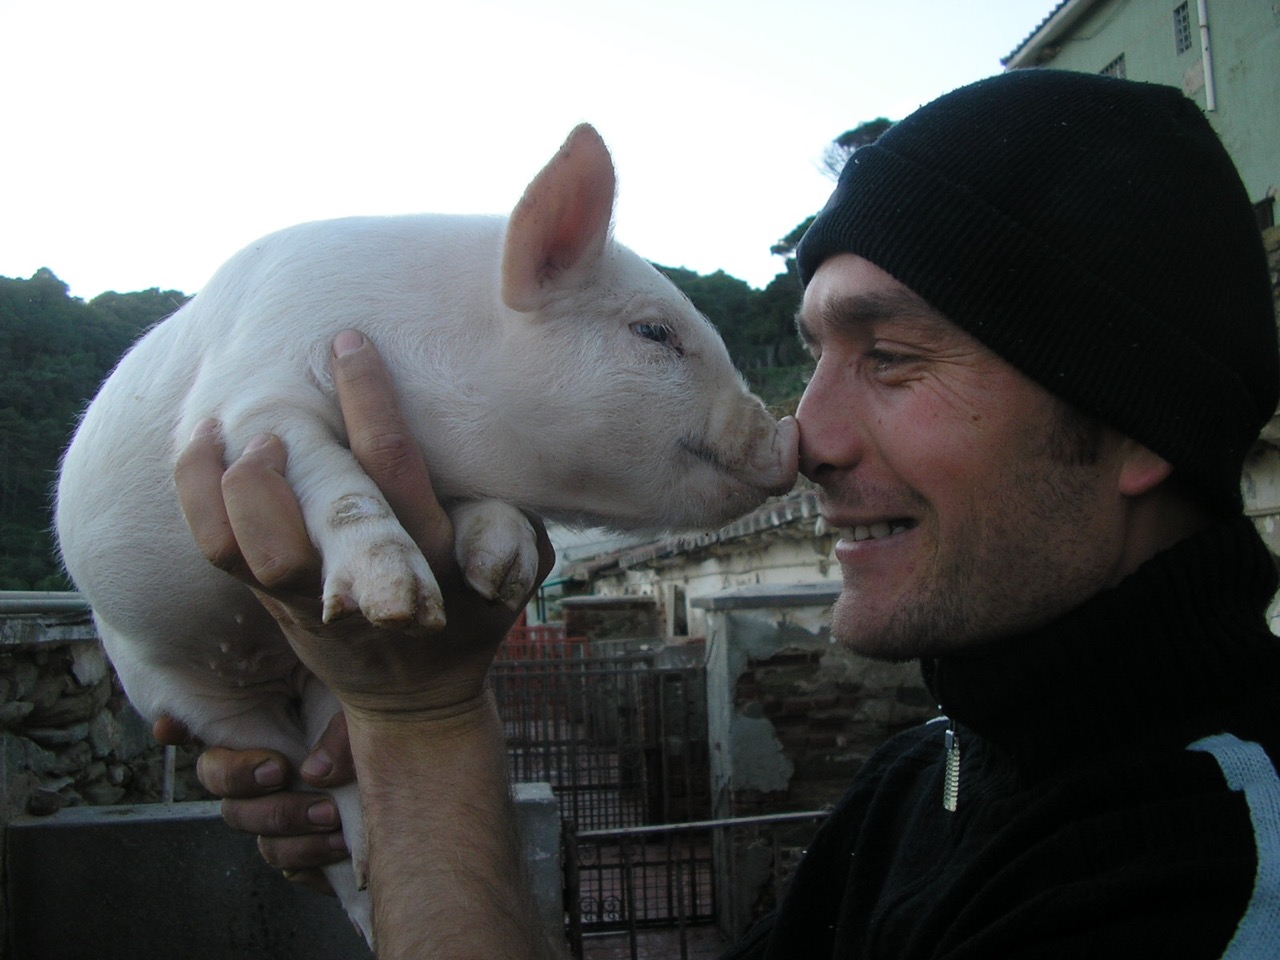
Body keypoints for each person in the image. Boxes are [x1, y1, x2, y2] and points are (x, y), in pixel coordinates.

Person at [166, 68, 1280, 958]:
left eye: (889, 357)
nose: (805, 440)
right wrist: (424, 768)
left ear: (1136, 422)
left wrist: (413, 731)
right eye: (815, 354)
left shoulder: (1202, 871)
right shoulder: (925, 777)